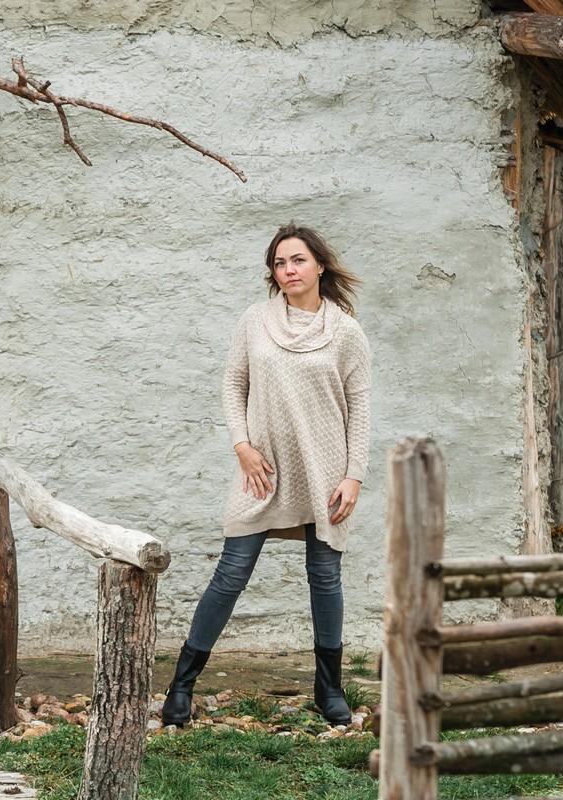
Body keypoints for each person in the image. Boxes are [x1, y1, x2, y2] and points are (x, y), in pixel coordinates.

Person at [161, 223, 372, 727]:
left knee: (325, 576)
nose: (288, 270)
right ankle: (181, 685)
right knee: (231, 573)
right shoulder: (255, 320)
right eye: (279, 263)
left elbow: (360, 405)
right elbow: (233, 384)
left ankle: (329, 688)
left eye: (298, 260)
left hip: (325, 470)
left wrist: (354, 476)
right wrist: (242, 448)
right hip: (262, 470)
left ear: (320, 266)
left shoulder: (345, 331)